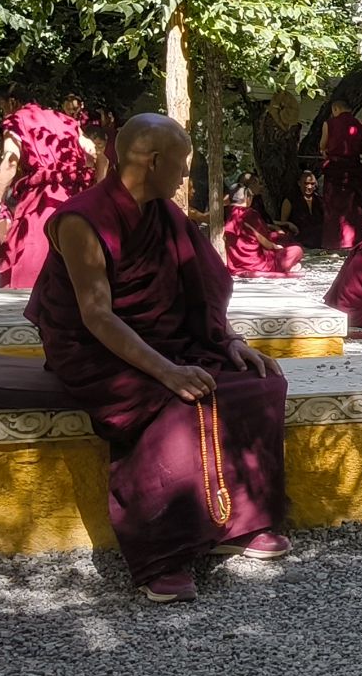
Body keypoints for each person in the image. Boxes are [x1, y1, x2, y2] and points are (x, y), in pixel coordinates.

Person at [24, 114, 290, 604]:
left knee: (260, 383)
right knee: (174, 404)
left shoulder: (165, 216)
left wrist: (228, 340)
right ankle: (162, 556)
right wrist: (167, 372)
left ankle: (237, 524)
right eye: (183, 164)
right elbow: (98, 318)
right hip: (94, 351)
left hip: (164, 341)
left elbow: (199, 292)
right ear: (154, 161)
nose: (186, 175)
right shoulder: (83, 220)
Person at [0, 95, 95, 289]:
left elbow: (10, 162)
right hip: (76, 195)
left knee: (34, 253)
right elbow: (93, 153)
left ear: (12, 102)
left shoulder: (17, 120)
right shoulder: (67, 121)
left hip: (42, 198)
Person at [318, 99, 362, 251]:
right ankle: (356, 240)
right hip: (354, 169)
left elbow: (323, 146)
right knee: (355, 206)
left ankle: (335, 242)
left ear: (335, 109)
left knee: (334, 206)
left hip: (335, 169)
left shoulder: (329, 123)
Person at [222, 186, 304, 278]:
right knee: (297, 250)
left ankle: (288, 265)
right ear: (248, 198)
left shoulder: (225, 212)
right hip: (258, 264)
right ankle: (287, 266)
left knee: (279, 237)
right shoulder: (250, 214)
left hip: (235, 263)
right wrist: (276, 247)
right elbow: (266, 243)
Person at [279, 170, 325, 251]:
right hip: (300, 239)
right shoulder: (290, 200)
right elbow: (283, 223)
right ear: (299, 183)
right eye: (306, 183)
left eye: (312, 184)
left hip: (319, 240)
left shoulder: (319, 200)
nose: (309, 187)